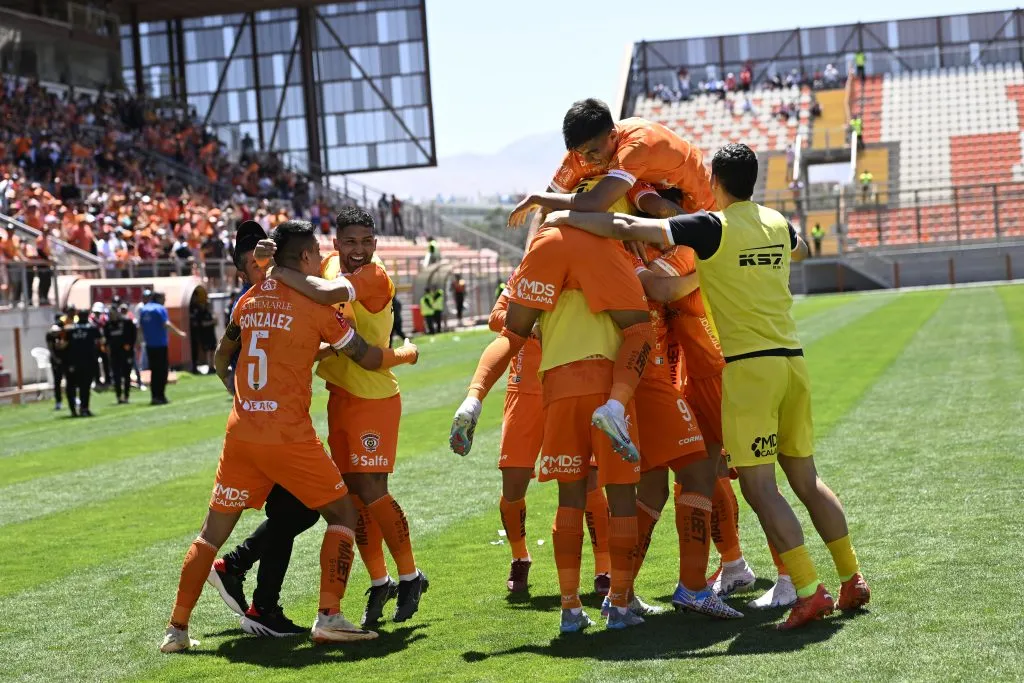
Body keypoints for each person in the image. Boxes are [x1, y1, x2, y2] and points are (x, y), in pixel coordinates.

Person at [540, 143, 872, 630]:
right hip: (793, 364)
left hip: (749, 369)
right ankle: (851, 577)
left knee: (760, 489)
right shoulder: (778, 223)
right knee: (807, 480)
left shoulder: (712, 227)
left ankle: (807, 590)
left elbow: (627, 227)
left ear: (714, 180)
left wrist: (562, 212)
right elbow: (799, 247)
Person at [160, 220, 384, 653]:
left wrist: (237, 388)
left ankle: (177, 630)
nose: (321, 261)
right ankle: (330, 616)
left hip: (242, 431)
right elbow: (366, 357)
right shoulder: (315, 306)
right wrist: (404, 354)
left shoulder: (246, 301)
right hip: (288, 435)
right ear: (304, 258)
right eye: (317, 254)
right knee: (343, 514)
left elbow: (225, 354)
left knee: (211, 533)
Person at [449, 181, 656, 634]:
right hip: (605, 383)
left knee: (570, 498)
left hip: (556, 386)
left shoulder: (543, 252)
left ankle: (569, 610)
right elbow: (640, 329)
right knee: (619, 498)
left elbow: (510, 333)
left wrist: (474, 395)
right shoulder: (608, 248)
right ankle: (619, 604)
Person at [266, 208, 425, 629]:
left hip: (373, 396)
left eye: (367, 242)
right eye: (351, 242)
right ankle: (380, 580)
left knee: (373, 491)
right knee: (354, 497)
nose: (360, 250)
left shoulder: (373, 277)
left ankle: (411, 575)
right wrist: (274, 257)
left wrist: (279, 272)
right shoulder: (329, 264)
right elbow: (304, 272)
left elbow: (320, 294)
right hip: (341, 394)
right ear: (335, 243)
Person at [488, 272, 613, 596]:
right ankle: (520, 557)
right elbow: (496, 317)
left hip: (572, 384)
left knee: (588, 480)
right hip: (524, 391)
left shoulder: (583, 267)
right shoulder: (526, 273)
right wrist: (532, 325)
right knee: (512, 482)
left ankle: (604, 569)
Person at [139, 290, 186, 405]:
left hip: (149, 345)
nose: (165, 300)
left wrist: (139, 341)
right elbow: (166, 324)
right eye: (164, 298)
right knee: (162, 371)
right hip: (160, 345)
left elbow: (140, 328)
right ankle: (161, 396)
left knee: (154, 371)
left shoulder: (144, 310)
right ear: (159, 298)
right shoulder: (159, 309)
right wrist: (180, 333)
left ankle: (154, 396)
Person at [65, 307, 104, 418]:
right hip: (88, 361)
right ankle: (84, 408)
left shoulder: (71, 329)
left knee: (72, 386)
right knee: (85, 386)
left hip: (73, 361)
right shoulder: (92, 328)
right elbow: (100, 341)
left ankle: (73, 409)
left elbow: (65, 344)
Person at [105, 303, 138, 404]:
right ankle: (119, 396)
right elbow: (107, 339)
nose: (111, 316)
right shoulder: (108, 325)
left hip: (126, 353)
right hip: (115, 354)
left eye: (112, 313)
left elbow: (133, 334)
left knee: (126, 374)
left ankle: (126, 396)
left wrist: (130, 345)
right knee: (116, 375)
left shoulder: (126, 322)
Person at [45, 312, 68, 411]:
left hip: (65, 359)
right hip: (57, 360)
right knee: (57, 382)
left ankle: (73, 398)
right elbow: (51, 348)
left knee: (70, 381)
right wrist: (55, 359)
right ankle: (58, 401)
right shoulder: (51, 333)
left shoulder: (66, 332)